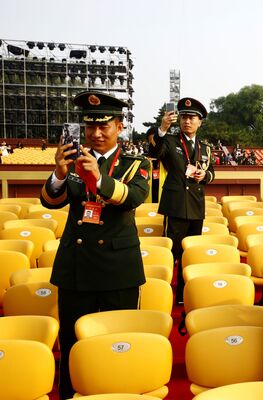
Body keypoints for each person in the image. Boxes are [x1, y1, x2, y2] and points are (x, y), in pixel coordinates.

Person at [40, 91, 151, 399]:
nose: (96, 133)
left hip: (118, 268)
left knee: (119, 341)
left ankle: (121, 392)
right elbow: (50, 201)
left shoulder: (135, 162)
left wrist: (98, 180)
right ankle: (70, 393)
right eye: (90, 127)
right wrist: (60, 175)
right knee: (73, 342)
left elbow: (134, 197)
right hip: (76, 265)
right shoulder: (73, 160)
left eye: (104, 126)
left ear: (119, 126)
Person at [147, 97, 214, 303]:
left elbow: (211, 171)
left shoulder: (205, 147)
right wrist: (162, 128)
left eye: (192, 118)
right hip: (176, 205)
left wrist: (205, 176)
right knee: (172, 253)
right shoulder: (169, 140)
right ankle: (163, 295)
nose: (187, 121)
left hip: (196, 205)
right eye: (184, 117)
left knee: (190, 254)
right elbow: (154, 152)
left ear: (200, 122)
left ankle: (183, 296)